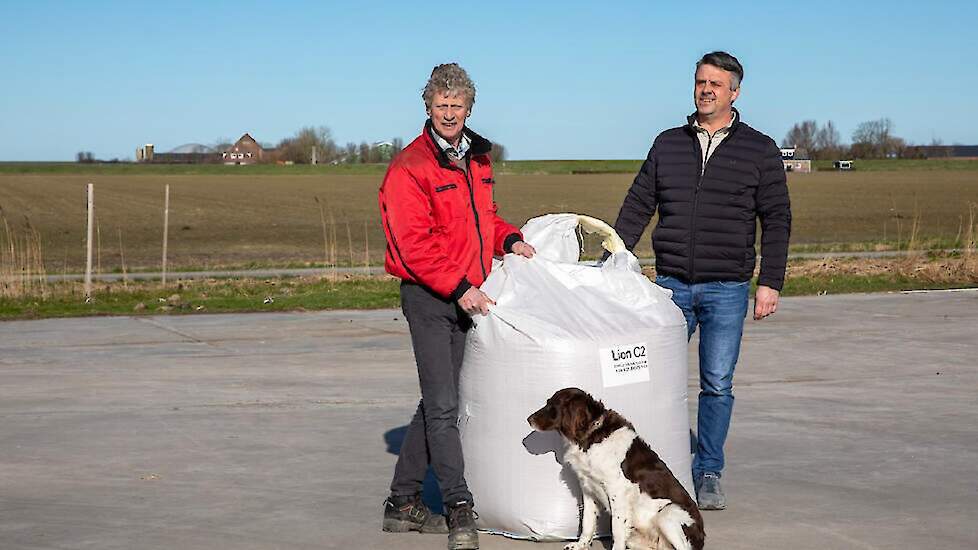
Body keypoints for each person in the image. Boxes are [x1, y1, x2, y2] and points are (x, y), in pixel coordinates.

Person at [609, 51, 791, 510]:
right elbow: (638, 204)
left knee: (716, 383)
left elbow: (777, 219)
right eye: (699, 81)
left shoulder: (759, 149)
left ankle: (708, 470)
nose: (706, 89)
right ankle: (647, 465)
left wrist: (770, 281)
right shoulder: (668, 143)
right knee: (649, 377)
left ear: (735, 91)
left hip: (727, 287)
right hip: (669, 286)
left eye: (715, 83)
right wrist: (613, 257)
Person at [378, 63, 535, 550]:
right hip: (430, 297)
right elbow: (412, 244)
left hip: (467, 293)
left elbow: (482, 219)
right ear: (428, 107)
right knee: (445, 405)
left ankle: (402, 503)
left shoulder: (477, 159)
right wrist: (460, 286)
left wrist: (509, 239)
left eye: (457, 105)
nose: (449, 113)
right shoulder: (410, 167)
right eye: (441, 105)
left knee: (438, 400)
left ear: (469, 108)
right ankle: (459, 508)